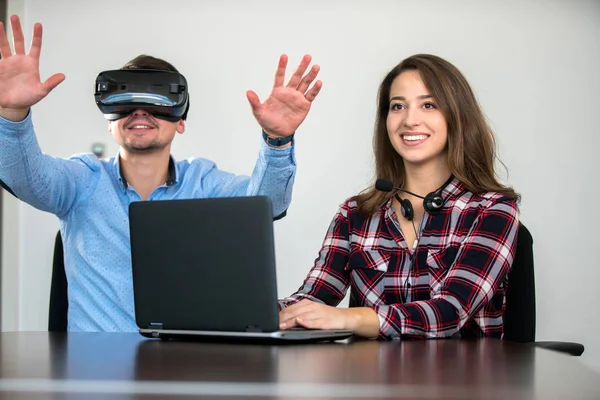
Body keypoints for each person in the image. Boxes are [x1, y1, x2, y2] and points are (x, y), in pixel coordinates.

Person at [0, 15, 322, 332]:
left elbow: (267, 204)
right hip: (96, 375)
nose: (140, 111)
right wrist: (13, 114)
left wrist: (277, 142)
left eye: (156, 100)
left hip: (184, 371)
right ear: (109, 120)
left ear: (180, 120)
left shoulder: (203, 183)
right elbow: (25, 178)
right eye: (127, 101)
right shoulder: (81, 181)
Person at [278, 53, 520, 340]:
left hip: (461, 380)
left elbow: (451, 312)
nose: (409, 120)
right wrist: (247, 312)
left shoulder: (492, 208)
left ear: (457, 116)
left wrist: (349, 317)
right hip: (371, 381)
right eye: (398, 107)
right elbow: (312, 299)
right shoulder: (355, 214)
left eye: (428, 105)